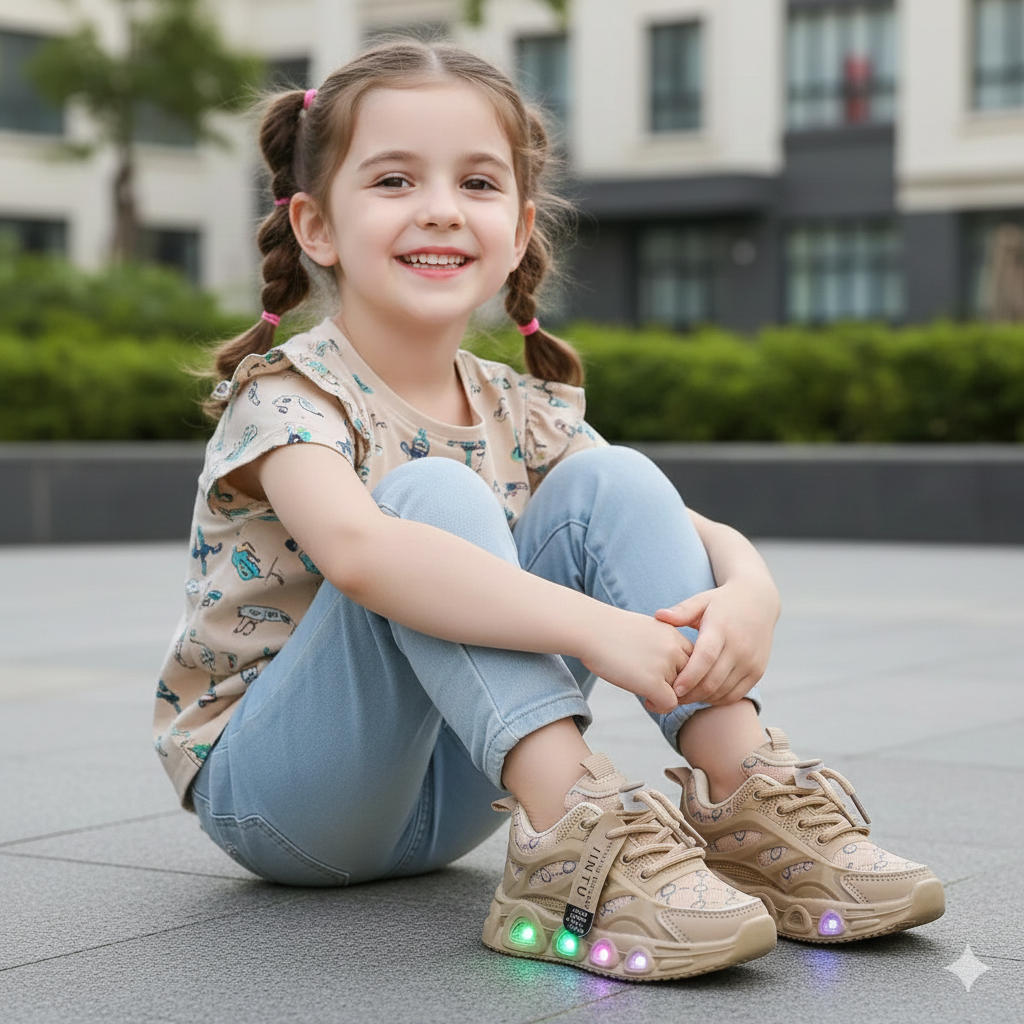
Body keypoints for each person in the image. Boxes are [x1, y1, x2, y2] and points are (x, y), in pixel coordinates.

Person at [154, 40, 944, 981]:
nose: (441, 207)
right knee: (429, 501)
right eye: (396, 179)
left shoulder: (525, 408)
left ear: (522, 228)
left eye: (478, 183)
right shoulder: (289, 394)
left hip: (460, 800)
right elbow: (361, 553)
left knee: (613, 480)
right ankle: (577, 830)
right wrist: (603, 634)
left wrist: (750, 591)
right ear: (317, 226)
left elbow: (679, 526)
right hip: (288, 798)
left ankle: (749, 805)